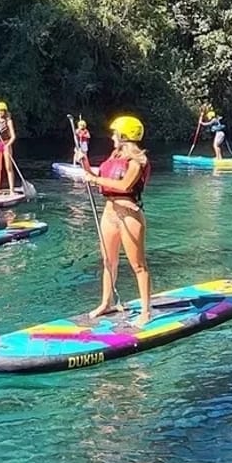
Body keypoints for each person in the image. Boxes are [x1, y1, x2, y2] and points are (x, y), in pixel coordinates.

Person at [81, 116, 151, 326]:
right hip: (110, 214)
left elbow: (124, 186)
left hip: (129, 215)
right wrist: (84, 161)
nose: (112, 137)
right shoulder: (114, 157)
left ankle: (146, 312)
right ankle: (107, 302)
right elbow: (95, 176)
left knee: (138, 265)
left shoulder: (137, 162)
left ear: (124, 136)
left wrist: (94, 179)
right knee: (108, 262)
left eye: (115, 134)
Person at [0, 101, 16, 195]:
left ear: (5, 111)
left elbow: (13, 136)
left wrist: (8, 145)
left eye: (2, 111)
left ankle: (11, 190)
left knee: (8, 167)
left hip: (6, 143)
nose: (0, 113)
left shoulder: (8, 121)